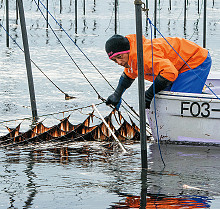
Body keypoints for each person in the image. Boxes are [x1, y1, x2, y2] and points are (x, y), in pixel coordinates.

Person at [105, 34, 212, 109]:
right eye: (114, 60)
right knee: (163, 96)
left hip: (195, 59)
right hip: (178, 66)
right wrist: (117, 94)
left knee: (178, 100)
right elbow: (128, 76)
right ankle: (196, 90)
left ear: (127, 51)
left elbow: (169, 73)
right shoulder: (131, 59)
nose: (119, 62)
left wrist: (148, 95)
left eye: (119, 57)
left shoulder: (144, 55)